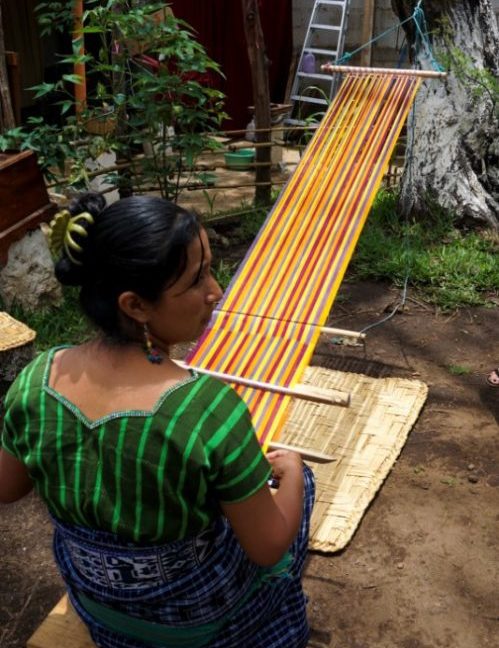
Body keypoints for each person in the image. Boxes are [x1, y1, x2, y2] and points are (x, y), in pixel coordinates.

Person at [0, 193, 315, 648]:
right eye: (196, 279)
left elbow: (7, 488)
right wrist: (294, 472)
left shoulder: (35, 384)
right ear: (136, 305)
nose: (216, 291)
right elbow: (266, 548)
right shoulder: (206, 410)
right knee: (297, 484)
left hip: (103, 612)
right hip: (200, 625)